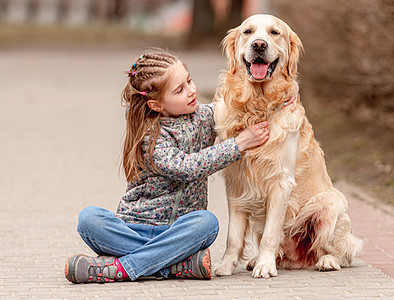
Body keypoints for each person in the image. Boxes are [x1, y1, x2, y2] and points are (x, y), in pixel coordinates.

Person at [64, 48, 295, 284]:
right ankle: (168, 265)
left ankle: (125, 266)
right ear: (156, 105)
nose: (192, 90)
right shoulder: (150, 136)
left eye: (189, 80)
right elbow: (188, 167)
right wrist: (239, 143)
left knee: (206, 223)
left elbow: (236, 108)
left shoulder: (202, 116)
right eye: (180, 90)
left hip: (181, 231)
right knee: (89, 219)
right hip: (133, 230)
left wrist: (281, 100)